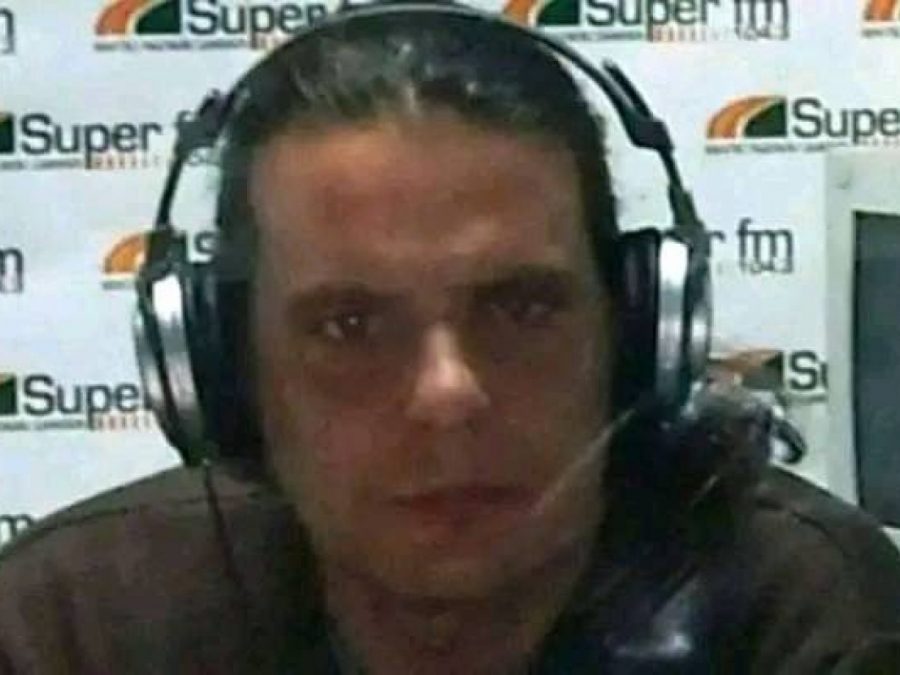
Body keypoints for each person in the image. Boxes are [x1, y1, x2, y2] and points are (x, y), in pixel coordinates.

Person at [2, 3, 900, 673]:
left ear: (634, 335)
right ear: (227, 371)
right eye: (349, 326)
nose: (448, 393)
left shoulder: (801, 613)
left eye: (522, 309)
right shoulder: (72, 628)